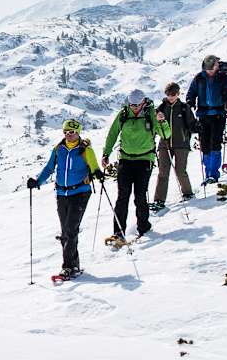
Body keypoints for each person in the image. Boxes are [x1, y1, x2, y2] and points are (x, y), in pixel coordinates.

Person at [27, 118, 104, 280]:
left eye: (73, 132)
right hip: (62, 194)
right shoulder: (58, 149)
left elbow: (94, 165)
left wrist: (97, 172)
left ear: (78, 132)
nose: (69, 135)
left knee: (70, 229)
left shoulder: (85, 150)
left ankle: (68, 267)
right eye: (66, 132)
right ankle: (74, 265)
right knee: (66, 232)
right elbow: (49, 168)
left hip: (80, 193)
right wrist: (37, 181)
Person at [101, 89, 170, 240]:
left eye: (137, 104)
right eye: (132, 104)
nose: (134, 107)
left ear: (144, 102)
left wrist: (162, 121)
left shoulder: (151, 113)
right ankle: (118, 231)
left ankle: (143, 226)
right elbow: (113, 134)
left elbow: (166, 134)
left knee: (140, 196)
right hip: (125, 159)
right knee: (122, 196)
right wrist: (106, 153)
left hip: (145, 159)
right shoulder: (124, 114)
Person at [186, 55, 227, 184]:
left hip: (218, 114)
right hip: (203, 115)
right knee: (205, 145)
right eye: (209, 68)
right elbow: (191, 92)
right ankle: (208, 173)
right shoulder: (199, 78)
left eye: (213, 67)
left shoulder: (225, 78)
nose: (210, 70)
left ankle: (213, 174)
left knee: (215, 143)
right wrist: (190, 101)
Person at [151, 82, 198, 210]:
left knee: (180, 171)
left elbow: (191, 124)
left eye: (173, 94)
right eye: (168, 94)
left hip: (181, 144)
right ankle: (159, 200)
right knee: (163, 172)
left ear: (178, 94)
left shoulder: (184, 107)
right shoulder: (161, 108)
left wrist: (197, 127)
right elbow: (156, 126)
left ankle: (187, 192)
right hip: (164, 144)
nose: (170, 97)